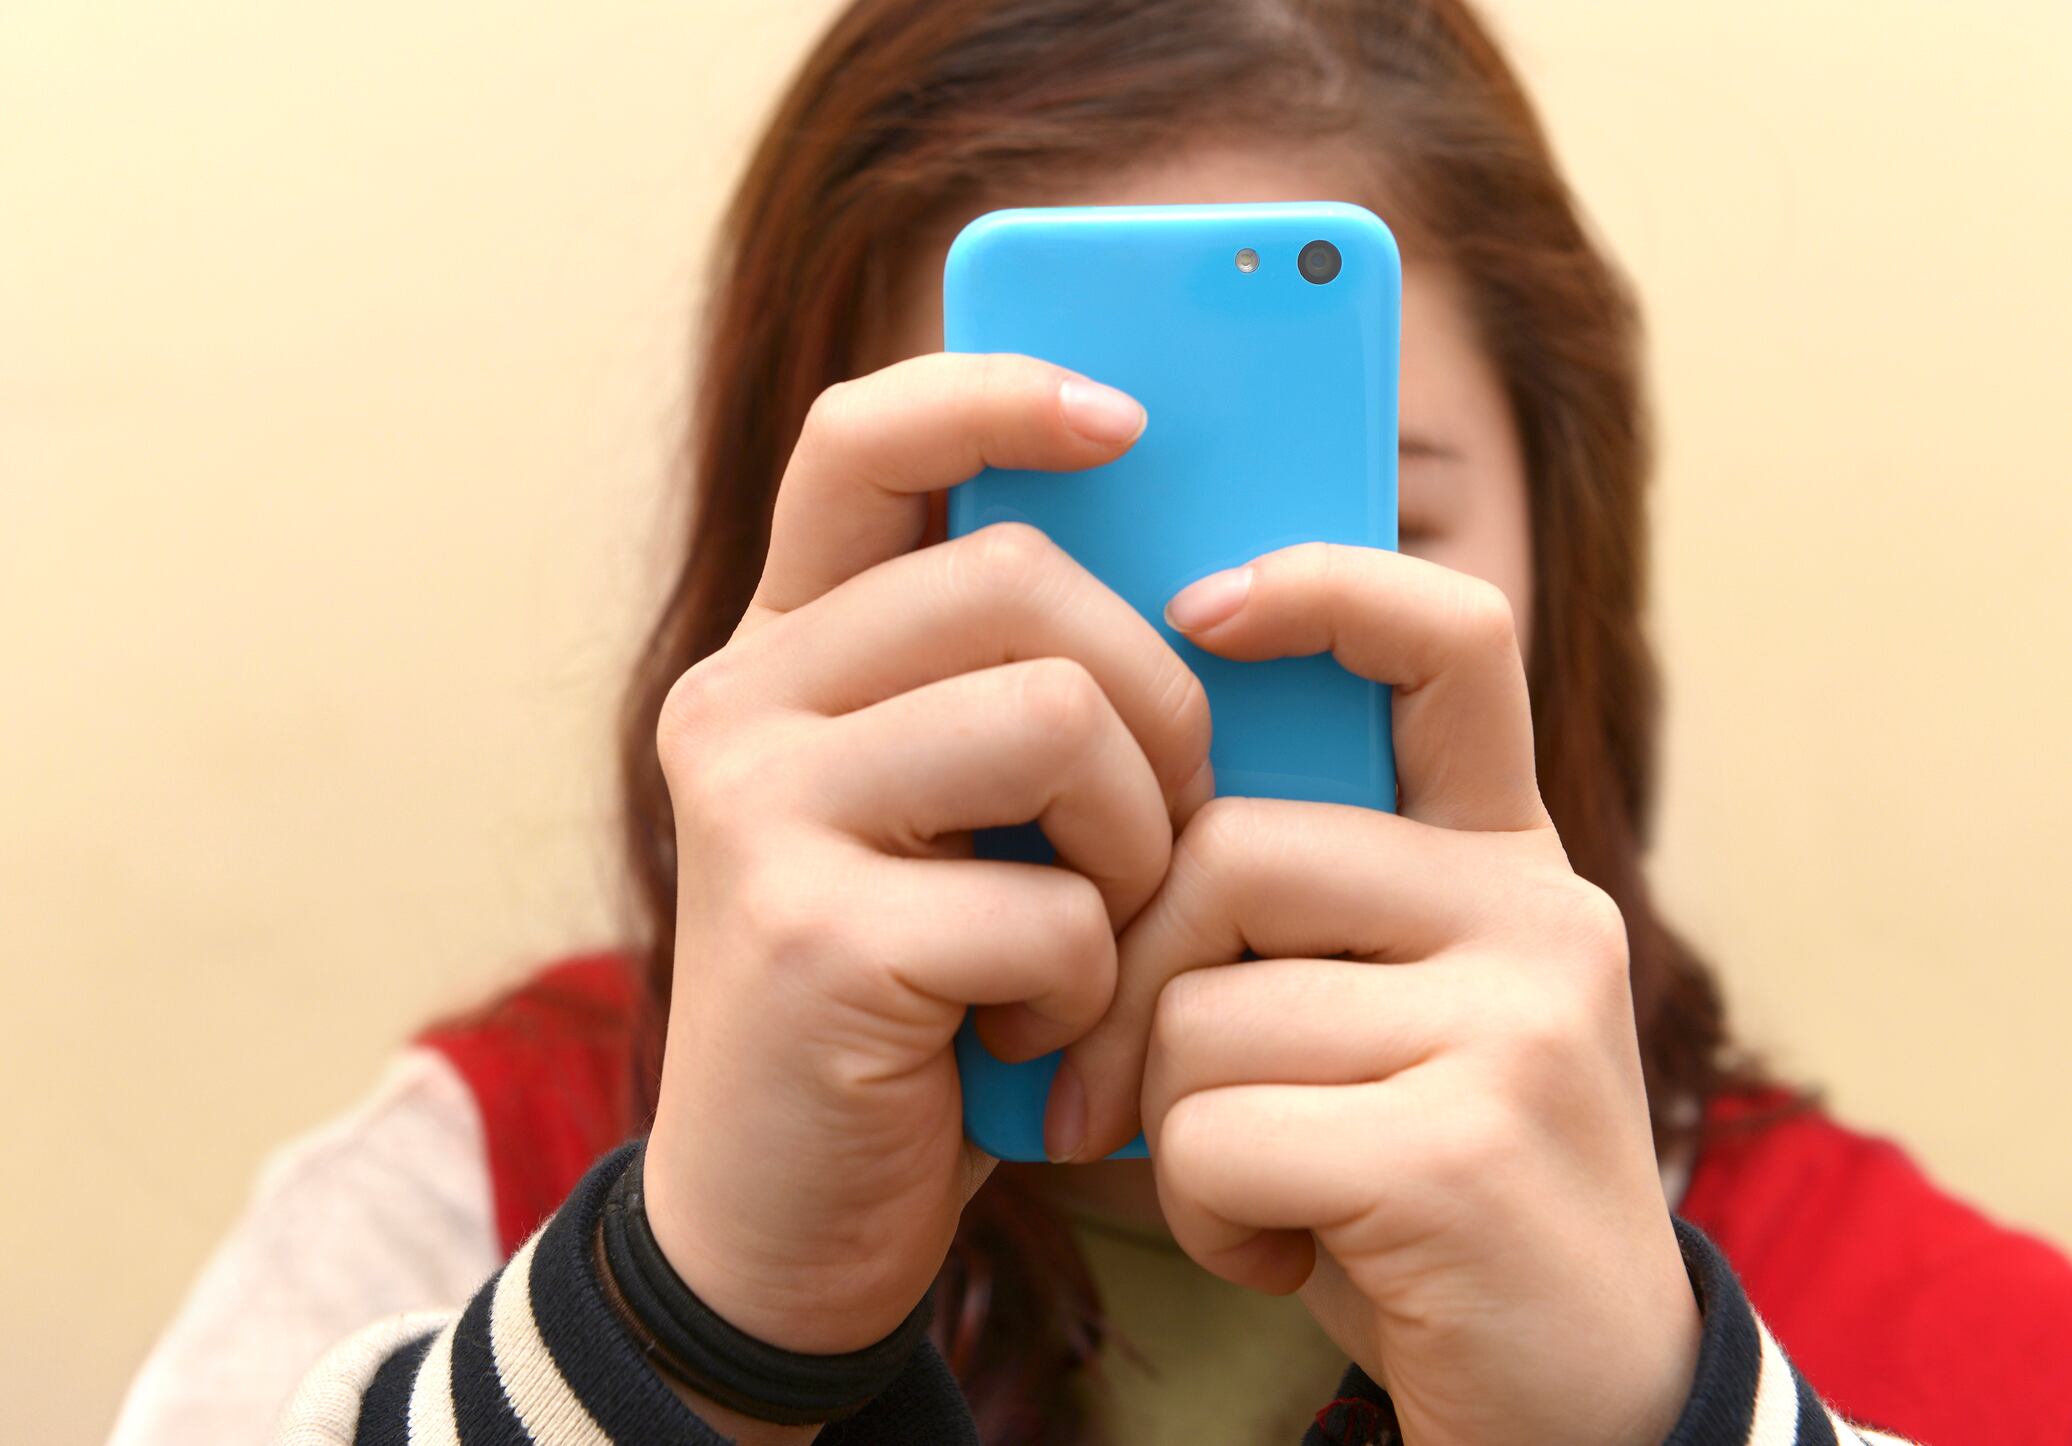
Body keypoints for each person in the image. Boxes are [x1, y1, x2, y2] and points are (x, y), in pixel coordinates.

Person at [111, 1, 2072, 1443]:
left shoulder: (1946, 1328)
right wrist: (680, 1325)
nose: (1140, 691)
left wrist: (1655, 1420)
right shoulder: (468, 1178)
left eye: (1354, 533)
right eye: (989, 535)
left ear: (1557, 579)